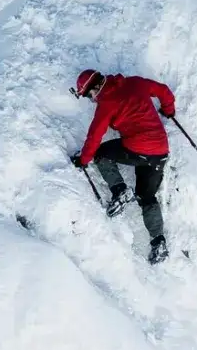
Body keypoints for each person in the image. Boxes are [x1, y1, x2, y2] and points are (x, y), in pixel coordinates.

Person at [70, 68, 174, 264]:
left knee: (101, 154)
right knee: (147, 196)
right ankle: (158, 243)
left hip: (137, 149)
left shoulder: (106, 104)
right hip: (160, 151)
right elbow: (163, 90)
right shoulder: (135, 82)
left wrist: (83, 160)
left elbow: (94, 137)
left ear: (95, 88)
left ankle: (120, 191)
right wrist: (168, 109)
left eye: (89, 95)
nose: (92, 99)